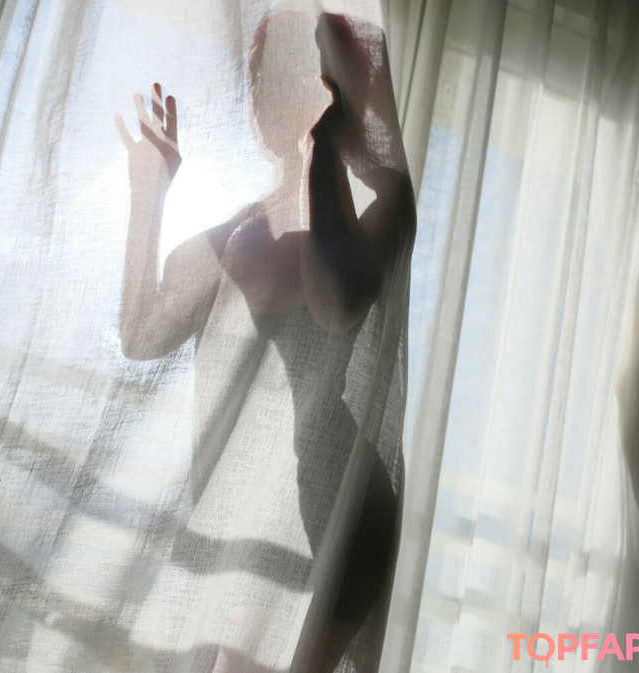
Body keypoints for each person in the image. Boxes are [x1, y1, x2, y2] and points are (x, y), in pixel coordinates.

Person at [114, 12, 415, 672]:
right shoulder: (233, 233)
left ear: (328, 86)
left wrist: (323, 150)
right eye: (254, 77)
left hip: (335, 503)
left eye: (280, 74)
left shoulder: (387, 206)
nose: (260, 94)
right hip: (243, 504)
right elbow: (141, 334)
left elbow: (334, 305)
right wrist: (149, 191)